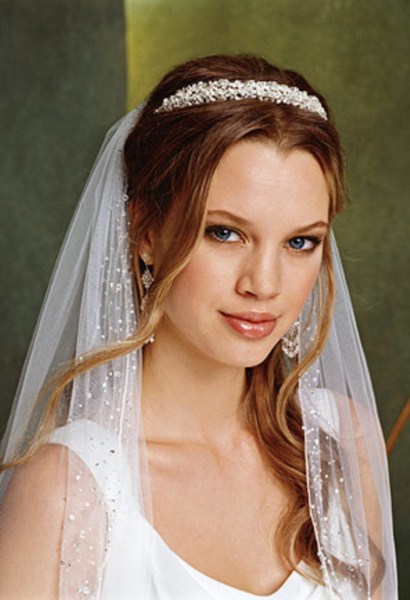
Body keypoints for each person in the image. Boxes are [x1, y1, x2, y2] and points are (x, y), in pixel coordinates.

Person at [0, 55, 397, 599]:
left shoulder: (340, 444)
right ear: (146, 231)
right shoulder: (68, 492)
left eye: (300, 242)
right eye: (225, 233)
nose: (264, 284)